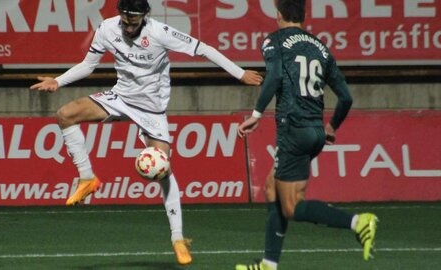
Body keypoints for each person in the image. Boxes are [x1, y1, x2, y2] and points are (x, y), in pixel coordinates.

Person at [30, 0, 263, 266]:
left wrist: (240, 73)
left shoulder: (160, 33)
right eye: (125, 20)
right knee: (65, 114)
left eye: (134, 21)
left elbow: (203, 49)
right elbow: (88, 65)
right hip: (120, 97)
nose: (128, 27)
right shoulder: (107, 29)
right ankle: (87, 178)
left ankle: (177, 238)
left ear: (144, 16)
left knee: (164, 171)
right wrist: (57, 81)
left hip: (152, 111)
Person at [234, 1, 378, 269]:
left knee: (291, 206)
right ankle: (268, 264)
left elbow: (275, 75)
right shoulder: (320, 47)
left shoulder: (274, 40)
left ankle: (358, 222)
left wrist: (255, 114)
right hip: (314, 131)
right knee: (271, 187)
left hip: (293, 129)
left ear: (277, 14)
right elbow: (346, 97)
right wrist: (332, 126)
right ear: (303, 14)